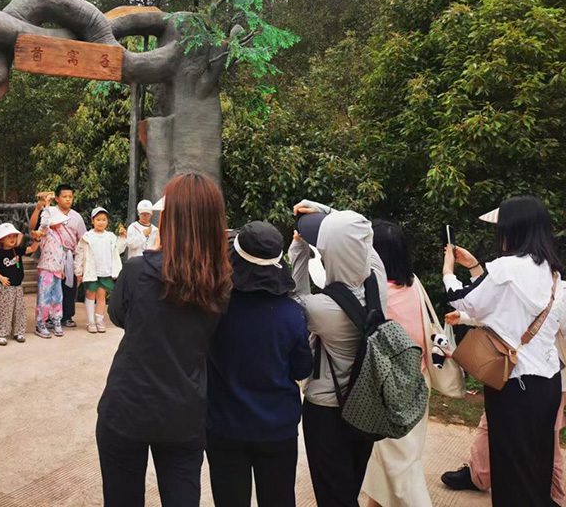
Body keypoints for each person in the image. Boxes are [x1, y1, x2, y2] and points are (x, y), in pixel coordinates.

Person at [96, 173, 233, 507]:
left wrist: (155, 255)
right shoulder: (222, 281)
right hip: (184, 411)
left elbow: (119, 317)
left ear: (169, 220)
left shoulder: (138, 271)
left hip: (127, 407)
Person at [442, 195, 566, 507]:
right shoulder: (553, 275)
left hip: (511, 385)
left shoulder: (505, 269)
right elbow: (499, 306)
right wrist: (477, 267)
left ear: (512, 229)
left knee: (509, 468)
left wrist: (449, 270)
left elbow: (464, 300)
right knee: (536, 464)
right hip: (547, 383)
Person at [288, 200, 388, 507]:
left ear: (327, 252)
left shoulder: (320, 309)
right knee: (350, 485)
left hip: (327, 411)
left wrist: (299, 247)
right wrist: (327, 213)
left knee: (333, 494)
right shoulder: (378, 282)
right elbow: (363, 237)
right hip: (369, 406)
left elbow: (294, 291)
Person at [206, 221, 312, 507]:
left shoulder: (215, 307)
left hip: (224, 425)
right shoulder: (292, 314)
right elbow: (302, 369)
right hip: (277, 428)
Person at [362, 220, 431, 507]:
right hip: (418, 383)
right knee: (390, 460)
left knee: (400, 467)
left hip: (390, 393)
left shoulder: (376, 296)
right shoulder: (415, 284)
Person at [29, 185, 87, 327]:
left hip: (69, 255)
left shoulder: (76, 217)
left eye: (70, 197)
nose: (68, 199)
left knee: (69, 287)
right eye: (64, 196)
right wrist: (39, 207)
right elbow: (33, 226)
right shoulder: (50, 211)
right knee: (50, 288)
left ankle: (66, 316)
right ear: (57, 198)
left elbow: (82, 239)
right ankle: (47, 317)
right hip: (52, 255)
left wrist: (81, 261)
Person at [74, 207, 127, 333]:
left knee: (101, 296)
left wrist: (122, 238)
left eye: (104, 220)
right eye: (98, 219)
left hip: (105, 271)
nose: (101, 222)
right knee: (90, 295)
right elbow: (79, 254)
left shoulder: (110, 237)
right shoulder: (87, 237)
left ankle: (99, 320)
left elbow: (118, 250)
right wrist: (78, 271)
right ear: (93, 221)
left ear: (107, 221)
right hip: (91, 271)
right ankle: (91, 321)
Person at [0, 222, 39, 346]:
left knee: (19, 309)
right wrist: (1, 278)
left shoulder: (17, 250)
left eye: (13, 236)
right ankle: (1, 333)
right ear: (1, 239)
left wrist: (37, 240)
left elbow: (32, 249)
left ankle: (18, 331)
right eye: (8, 237)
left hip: (18, 286)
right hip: (5, 287)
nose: (12, 239)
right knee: (4, 310)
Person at [34, 209, 70, 338]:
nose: (60, 223)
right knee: (44, 297)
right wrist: (47, 207)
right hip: (46, 268)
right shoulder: (45, 231)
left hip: (57, 270)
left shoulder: (60, 233)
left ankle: (56, 320)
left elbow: (62, 253)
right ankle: (40, 323)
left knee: (57, 297)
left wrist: (62, 268)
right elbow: (43, 224)